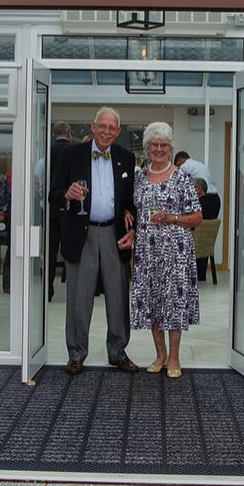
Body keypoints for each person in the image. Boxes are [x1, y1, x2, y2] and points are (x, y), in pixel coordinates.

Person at [49, 107, 138, 375]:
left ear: (118, 131)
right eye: (103, 126)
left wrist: (131, 222)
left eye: (112, 128)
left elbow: (133, 201)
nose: (107, 132)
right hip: (81, 234)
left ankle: (118, 352)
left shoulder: (126, 158)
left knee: (118, 296)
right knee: (79, 297)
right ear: (93, 126)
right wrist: (67, 194)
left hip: (114, 234)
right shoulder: (70, 155)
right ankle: (76, 353)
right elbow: (53, 194)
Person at [129, 122, 203, 379]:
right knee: (152, 303)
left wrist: (172, 218)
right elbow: (133, 209)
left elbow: (197, 217)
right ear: (147, 147)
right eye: (154, 144)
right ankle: (159, 354)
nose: (159, 149)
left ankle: (174, 356)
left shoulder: (182, 177)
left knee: (173, 303)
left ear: (170, 147)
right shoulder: (138, 176)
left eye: (164, 144)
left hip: (176, 252)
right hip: (146, 253)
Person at [47, 121, 72, 300]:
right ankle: (72, 290)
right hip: (71, 209)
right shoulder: (74, 151)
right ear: (69, 133)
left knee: (50, 249)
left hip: (51, 208)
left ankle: (48, 289)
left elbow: (40, 182)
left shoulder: (47, 152)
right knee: (71, 251)